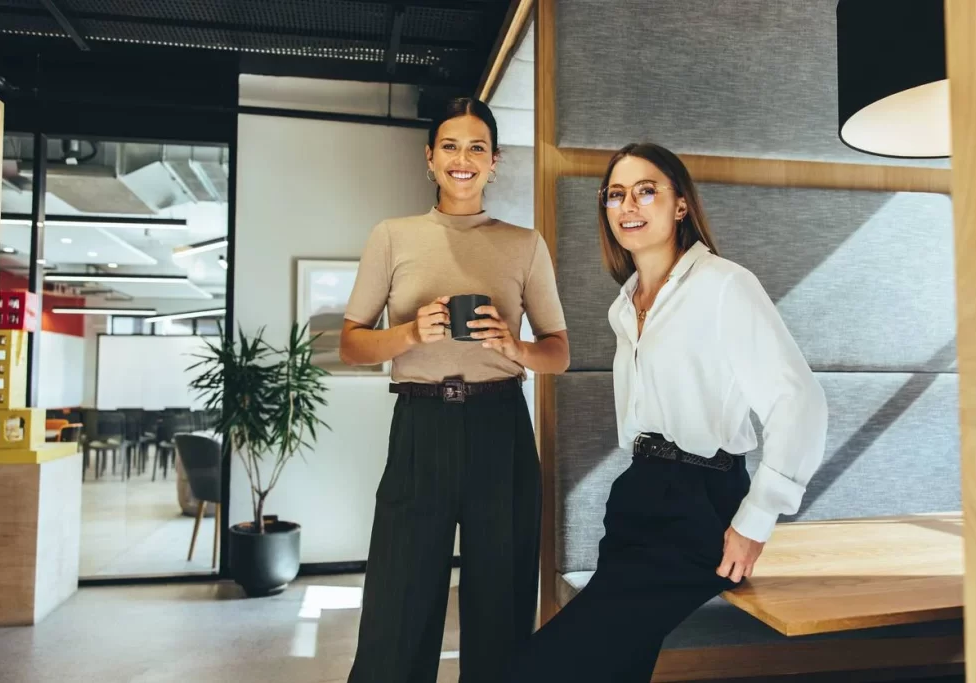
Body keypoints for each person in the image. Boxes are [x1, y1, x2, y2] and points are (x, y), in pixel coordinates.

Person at [507, 142, 828, 682]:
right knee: (615, 671)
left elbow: (799, 401)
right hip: (638, 493)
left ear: (681, 205)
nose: (628, 205)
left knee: (542, 669)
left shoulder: (725, 285)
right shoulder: (624, 304)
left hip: (702, 505)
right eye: (615, 195)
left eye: (646, 190)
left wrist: (757, 516)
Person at [340, 97, 570, 683]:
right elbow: (350, 344)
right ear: (430, 158)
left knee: (501, 599)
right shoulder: (392, 236)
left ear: (495, 162)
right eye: (450, 146)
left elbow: (559, 352)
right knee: (399, 597)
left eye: (476, 148)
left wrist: (513, 347)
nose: (462, 159)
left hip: (501, 428)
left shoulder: (525, 244)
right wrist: (412, 332)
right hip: (421, 425)